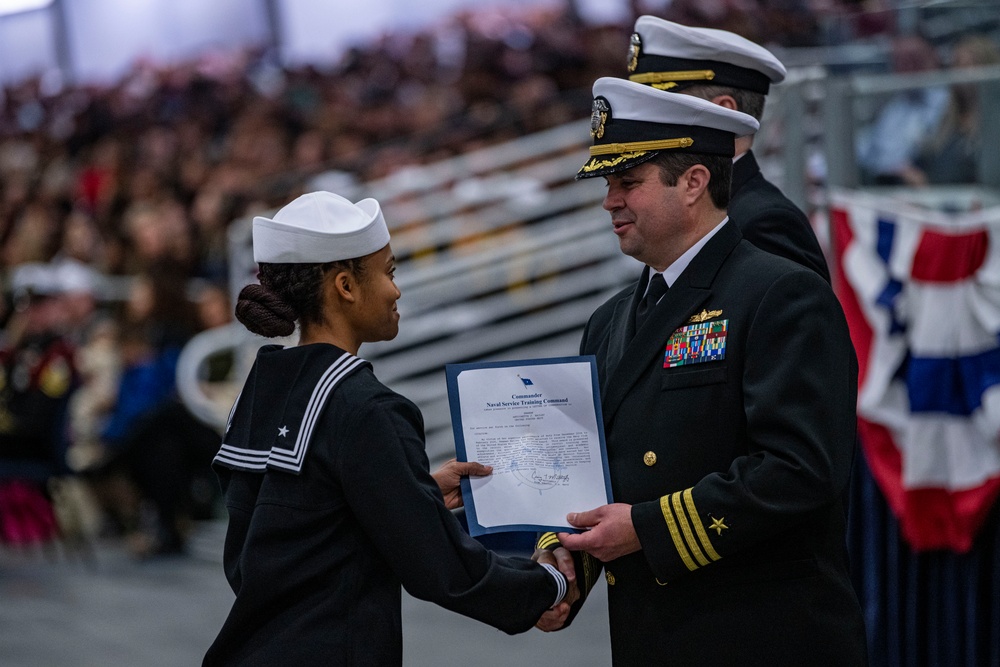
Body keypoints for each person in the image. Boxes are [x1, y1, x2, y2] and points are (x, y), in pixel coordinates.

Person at [533, 78, 867, 665]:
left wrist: (648, 529)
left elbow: (801, 469)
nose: (610, 201)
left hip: (762, 634)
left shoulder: (781, 294)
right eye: (609, 184)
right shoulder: (608, 321)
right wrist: (566, 562)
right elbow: (602, 470)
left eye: (628, 183)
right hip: (653, 633)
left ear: (694, 183)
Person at [203, 191, 575, 665]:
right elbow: (441, 569)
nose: (396, 290)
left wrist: (406, 493)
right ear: (345, 286)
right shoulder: (367, 408)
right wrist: (548, 584)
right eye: (388, 272)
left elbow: (272, 544)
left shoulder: (257, 391)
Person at [623, 15, 830, 282]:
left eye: (667, 108)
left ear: (723, 112)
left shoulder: (764, 222)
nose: (648, 124)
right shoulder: (692, 213)